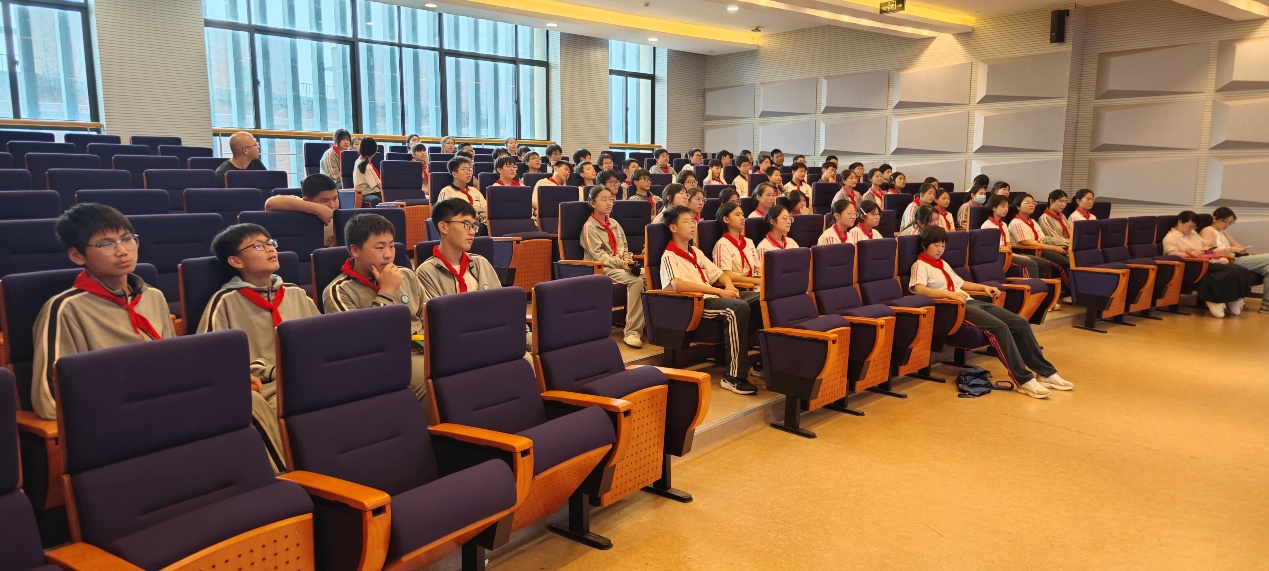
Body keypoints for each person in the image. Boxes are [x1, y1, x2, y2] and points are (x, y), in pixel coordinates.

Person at [31, 203, 175, 421]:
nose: (122, 251)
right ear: (77, 255)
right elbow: (50, 401)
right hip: (111, 419)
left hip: (164, 407)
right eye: (106, 244)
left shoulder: (153, 296)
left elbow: (173, 364)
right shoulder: (65, 309)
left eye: (127, 239)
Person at [200, 223, 320, 473]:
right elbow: (212, 363)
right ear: (235, 261)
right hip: (266, 391)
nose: (269, 249)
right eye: (257, 246)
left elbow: (323, 339)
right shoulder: (224, 302)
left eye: (270, 243)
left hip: (307, 379)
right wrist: (270, 371)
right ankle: (294, 477)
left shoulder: (296, 294)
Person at [910, 226, 1073, 399]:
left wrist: (984, 288)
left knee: (1019, 322)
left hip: (969, 301)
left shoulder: (942, 263)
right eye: (936, 245)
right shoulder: (920, 265)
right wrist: (949, 295)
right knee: (999, 327)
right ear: (925, 245)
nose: (940, 249)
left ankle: (1045, 373)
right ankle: (1023, 379)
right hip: (952, 308)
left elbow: (961, 283)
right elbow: (919, 289)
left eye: (943, 245)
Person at [323, 213, 430, 413]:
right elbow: (363, 343)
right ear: (355, 250)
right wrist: (387, 291)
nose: (388, 254)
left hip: (422, 347)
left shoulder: (406, 274)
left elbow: (429, 316)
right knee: (429, 379)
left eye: (391, 246)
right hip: (383, 359)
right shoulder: (338, 291)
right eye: (380, 248)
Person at [660, 205, 761, 395]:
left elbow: (719, 273)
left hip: (712, 296)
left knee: (761, 300)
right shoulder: (669, 255)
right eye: (686, 222)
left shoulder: (696, 252)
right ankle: (733, 377)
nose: (692, 225)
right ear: (673, 228)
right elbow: (677, 285)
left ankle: (762, 362)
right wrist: (717, 291)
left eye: (693, 221)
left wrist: (729, 286)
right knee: (737, 308)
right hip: (692, 304)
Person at [580, 186, 646, 348]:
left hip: (620, 266)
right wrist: (621, 263)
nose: (609, 203)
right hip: (601, 268)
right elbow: (598, 255)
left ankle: (651, 324)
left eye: (611, 199)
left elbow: (625, 247)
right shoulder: (589, 227)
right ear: (592, 203)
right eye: (604, 199)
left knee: (649, 274)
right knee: (636, 281)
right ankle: (632, 331)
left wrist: (628, 259)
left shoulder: (615, 224)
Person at [1164, 211, 1253, 317]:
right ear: (1180, 222)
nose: (1191, 229)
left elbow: (1205, 244)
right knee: (1229, 271)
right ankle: (1217, 300)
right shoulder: (1171, 237)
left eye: (1194, 227)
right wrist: (1193, 253)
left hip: (1206, 260)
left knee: (1240, 270)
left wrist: (1206, 248)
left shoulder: (1193, 233)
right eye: (1189, 226)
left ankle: (1234, 299)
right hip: (1193, 265)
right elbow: (1171, 253)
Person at [416, 198, 503, 298]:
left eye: (473, 226)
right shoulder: (426, 272)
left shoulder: (481, 263)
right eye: (466, 224)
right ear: (443, 227)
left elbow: (499, 301)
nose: (472, 232)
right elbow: (437, 308)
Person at [1201, 207, 1269, 313]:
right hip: (1227, 260)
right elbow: (1208, 251)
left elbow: (1236, 245)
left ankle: (1266, 306)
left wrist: (1245, 251)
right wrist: (1231, 249)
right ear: (1214, 218)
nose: (1227, 225)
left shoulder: (1223, 232)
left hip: (1235, 257)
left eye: (1230, 222)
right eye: (1225, 221)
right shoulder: (1207, 230)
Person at [265, 173, 340, 247]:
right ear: (307, 201)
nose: (332, 205)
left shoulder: (339, 218)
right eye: (325, 201)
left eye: (335, 198)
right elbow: (270, 204)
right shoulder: (299, 204)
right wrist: (318, 209)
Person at [982, 195, 1044, 280]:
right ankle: (1032, 286)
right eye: (1003, 206)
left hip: (1008, 253)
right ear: (994, 208)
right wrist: (1017, 256)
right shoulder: (987, 226)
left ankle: (1044, 286)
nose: (1006, 209)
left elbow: (1008, 244)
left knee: (1041, 262)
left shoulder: (1004, 224)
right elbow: (992, 249)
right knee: (1031, 263)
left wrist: (1014, 254)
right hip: (999, 256)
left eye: (1007, 206)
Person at [1009, 193, 1069, 282]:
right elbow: (1026, 243)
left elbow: (1042, 238)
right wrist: (1054, 248)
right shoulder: (1016, 223)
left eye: (1033, 203)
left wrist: (1056, 246)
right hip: (1029, 250)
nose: (1031, 205)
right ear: (1018, 207)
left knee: (1068, 256)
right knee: (1065, 263)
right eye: (1027, 203)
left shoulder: (1033, 221)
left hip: (1040, 247)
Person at [713, 202, 761, 289]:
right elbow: (726, 275)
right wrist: (756, 281)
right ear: (726, 219)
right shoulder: (722, 244)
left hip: (754, 284)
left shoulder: (748, 242)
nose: (742, 218)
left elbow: (757, 267)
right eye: (737, 215)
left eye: (743, 215)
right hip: (739, 287)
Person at [437, 156, 488, 236]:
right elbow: (444, 214)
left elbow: (486, 209)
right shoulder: (446, 191)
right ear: (454, 174)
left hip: (482, 225)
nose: (469, 172)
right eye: (464, 169)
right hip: (462, 227)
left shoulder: (474, 191)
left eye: (470, 169)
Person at [353, 137, 383, 207]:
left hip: (364, 193)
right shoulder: (367, 166)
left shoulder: (358, 161)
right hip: (366, 194)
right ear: (374, 151)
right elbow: (380, 186)